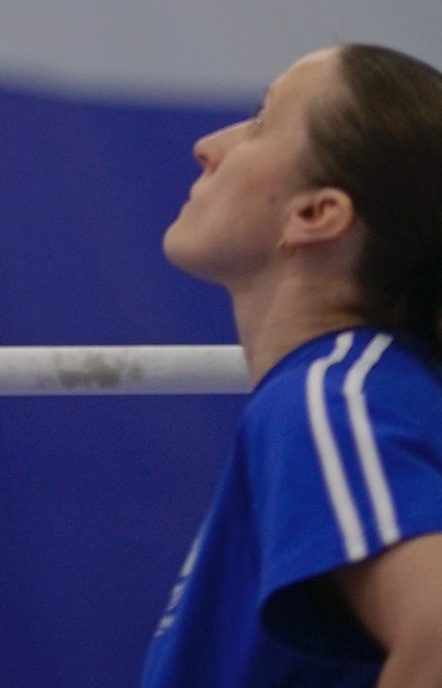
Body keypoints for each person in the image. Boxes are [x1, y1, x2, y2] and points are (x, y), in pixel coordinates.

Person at [145, 41, 442, 685]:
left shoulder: (330, 397)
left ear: (314, 215)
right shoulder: (369, 391)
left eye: (258, 120)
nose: (206, 146)